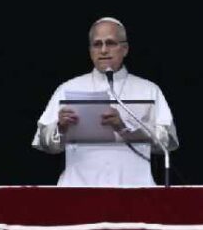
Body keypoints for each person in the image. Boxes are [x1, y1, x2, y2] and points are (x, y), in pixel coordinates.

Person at [32, 17, 179, 186]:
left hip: (135, 188)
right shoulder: (66, 89)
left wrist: (126, 128)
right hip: (79, 188)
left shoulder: (149, 90)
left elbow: (168, 141)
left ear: (125, 49)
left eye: (110, 43)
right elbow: (43, 142)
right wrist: (60, 128)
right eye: (97, 44)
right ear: (90, 50)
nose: (103, 50)